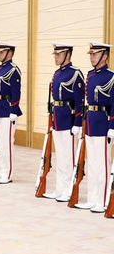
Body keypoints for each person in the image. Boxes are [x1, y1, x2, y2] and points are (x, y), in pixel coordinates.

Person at [75, 42, 114, 213]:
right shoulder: (89, 75)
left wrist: (112, 125)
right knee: (92, 164)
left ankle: (103, 200)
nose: (91, 57)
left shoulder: (111, 77)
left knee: (102, 164)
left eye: (95, 54)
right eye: (90, 54)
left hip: (103, 124)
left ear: (105, 56)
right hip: (91, 123)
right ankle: (92, 198)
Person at [42, 43, 84, 202]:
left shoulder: (75, 74)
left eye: (58, 54)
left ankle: (68, 190)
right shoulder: (57, 73)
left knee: (69, 158)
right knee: (60, 157)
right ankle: (60, 189)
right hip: (58, 119)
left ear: (67, 54)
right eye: (55, 54)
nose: (55, 56)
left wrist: (78, 123)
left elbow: (79, 101)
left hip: (69, 120)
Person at [0, 42, 22, 184]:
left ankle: (7, 173)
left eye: (2, 52)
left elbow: (16, 91)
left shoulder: (14, 70)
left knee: (7, 143)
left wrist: (14, 109)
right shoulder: (0, 68)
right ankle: (1, 171)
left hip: (8, 110)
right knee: (0, 143)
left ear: (9, 53)